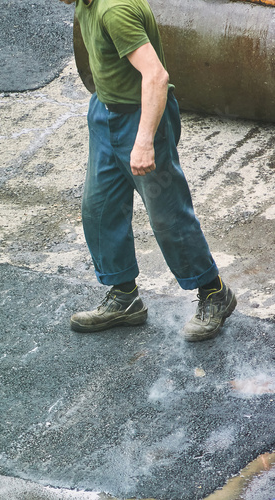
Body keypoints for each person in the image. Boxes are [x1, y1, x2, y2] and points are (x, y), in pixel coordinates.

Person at [59, 0, 237, 341]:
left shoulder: (114, 10)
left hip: (142, 118)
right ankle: (125, 296)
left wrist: (143, 141)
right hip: (106, 112)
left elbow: (156, 76)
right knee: (99, 208)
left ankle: (214, 293)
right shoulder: (85, 3)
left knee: (167, 214)